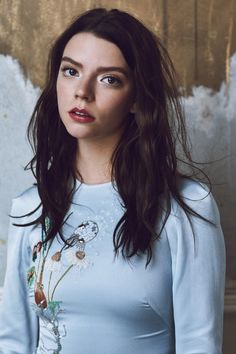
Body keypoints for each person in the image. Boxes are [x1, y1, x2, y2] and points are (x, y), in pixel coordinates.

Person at [0, 7, 225, 354]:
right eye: (71, 71)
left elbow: (200, 344)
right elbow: (13, 344)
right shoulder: (30, 208)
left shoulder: (187, 206)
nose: (82, 92)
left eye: (109, 79)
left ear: (137, 98)